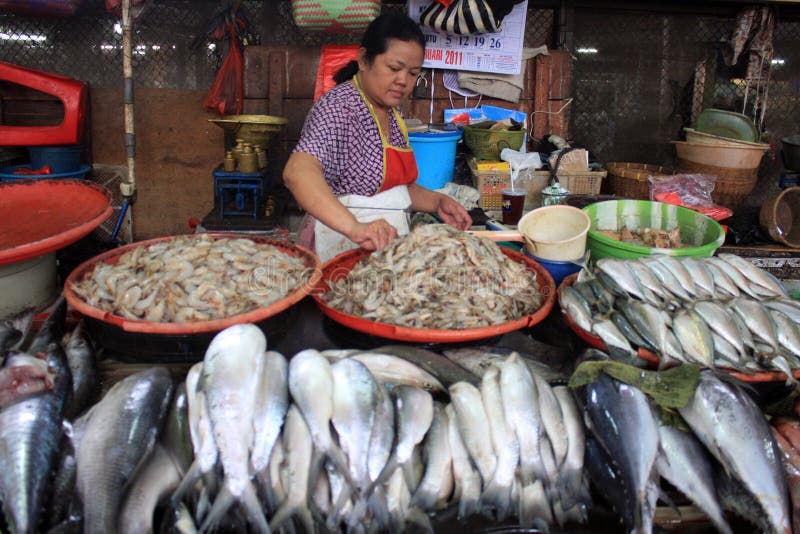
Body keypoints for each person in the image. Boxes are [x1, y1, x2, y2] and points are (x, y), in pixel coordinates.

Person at [283, 13, 472, 262]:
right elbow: (297, 172)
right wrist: (354, 228)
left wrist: (438, 202)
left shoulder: (393, 115)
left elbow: (395, 190)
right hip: (340, 247)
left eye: (413, 73)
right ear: (364, 59)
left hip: (383, 249)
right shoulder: (340, 109)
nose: (403, 80)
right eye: (394, 68)